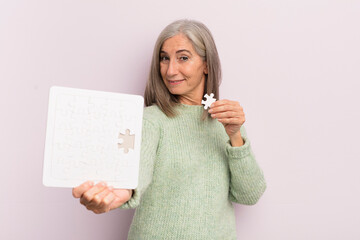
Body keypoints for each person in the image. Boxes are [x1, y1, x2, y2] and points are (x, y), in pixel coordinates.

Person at [72, 19, 267, 239]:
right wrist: (118, 194)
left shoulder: (226, 121)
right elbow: (137, 174)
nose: (171, 70)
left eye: (183, 58)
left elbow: (249, 194)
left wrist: (234, 135)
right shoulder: (152, 120)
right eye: (164, 58)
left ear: (206, 65)